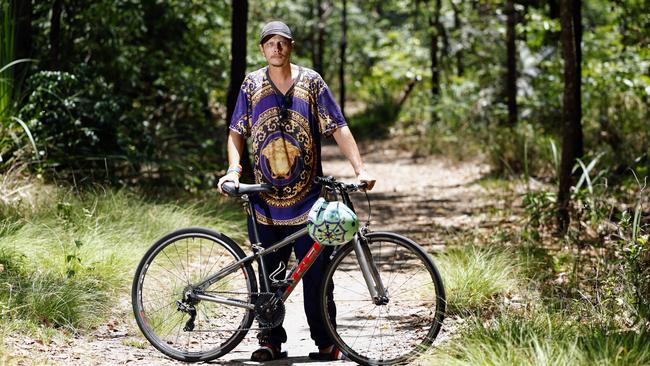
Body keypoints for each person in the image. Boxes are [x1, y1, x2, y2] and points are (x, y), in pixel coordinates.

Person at [218, 20, 375, 362]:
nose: (276, 48)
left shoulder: (312, 82)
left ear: (290, 46)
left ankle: (326, 342)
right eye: (270, 43)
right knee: (270, 278)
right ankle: (270, 341)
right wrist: (233, 169)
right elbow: (236, 132)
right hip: (264, 203)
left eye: (282, 42)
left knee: (318, 277)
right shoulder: (251, 85)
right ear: (262, 49)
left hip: (309, 202)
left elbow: (338, 126)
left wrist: (359, 168)